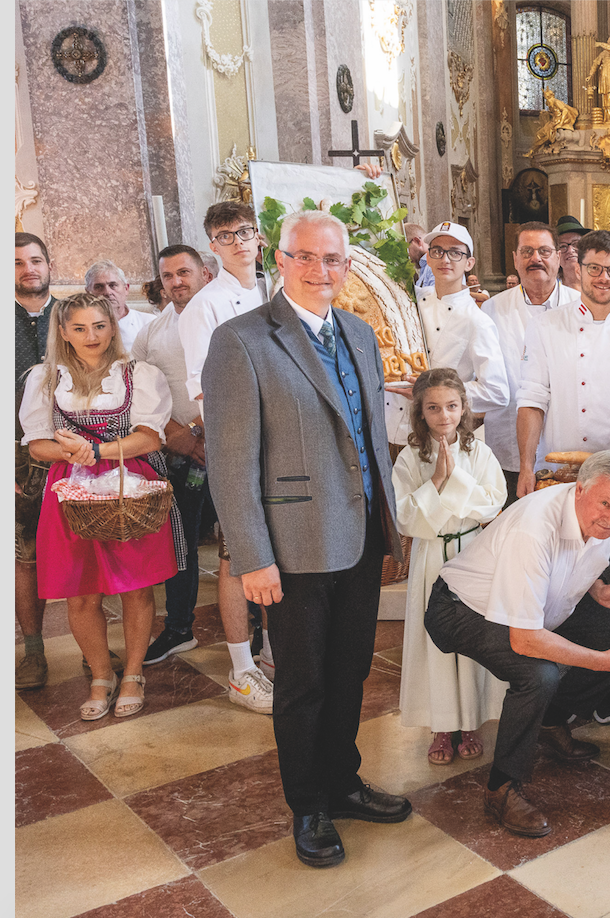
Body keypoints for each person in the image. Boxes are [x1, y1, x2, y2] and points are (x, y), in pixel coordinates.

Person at [204, 209, 412, 869]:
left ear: (346, 267)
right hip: (292, 544)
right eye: (307, 257)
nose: (321, 271)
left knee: (351, 671)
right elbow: (231, 464)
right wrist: (252, 558)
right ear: (282, 259)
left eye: (333, 260)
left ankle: (343, 781)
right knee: (303, 681)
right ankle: (309, 805)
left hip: (358, 536)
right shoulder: (241, 341)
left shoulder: (357, 331)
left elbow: (371, 435)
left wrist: (390, 527)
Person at [423, 451, 610, 837]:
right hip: (461, 609)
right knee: (539, 674)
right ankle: (502, 788)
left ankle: (550, 720)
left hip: (536, 611)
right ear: (579, 490)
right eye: (606, 504)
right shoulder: (534, 527)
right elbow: (525, 639)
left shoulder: (602, 519)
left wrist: (597, 591)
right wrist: (600, 661)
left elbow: (569, 563)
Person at [20, 292, 181, 721]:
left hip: (129, 483)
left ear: (113, 326)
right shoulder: (43, 378)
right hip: (70, 491)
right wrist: (73, 454)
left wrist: (99, 449)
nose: (91, 336)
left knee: (135, 585)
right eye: (79, 328)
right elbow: (37, 444)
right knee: (80, 591)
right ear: (63, 332)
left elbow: (149, 437)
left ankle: (132, 674)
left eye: (99, 326)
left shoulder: (138, 374)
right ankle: (99, 675)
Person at [179, 200, 276, 714]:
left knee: (276, 549)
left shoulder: (274, 288)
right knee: (238, 555)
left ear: (259, 237)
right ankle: (241, 669)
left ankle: (270, 649)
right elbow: (203, 389)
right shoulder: (205, 307)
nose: (239, 241)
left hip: (282, 440)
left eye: (246, 231)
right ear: (212, 246)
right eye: (226, 234)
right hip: (238, 441)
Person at [393, 369, 508, 766]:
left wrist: (452, 480)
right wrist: (435, 482)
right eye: (433, 408)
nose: (444, 416)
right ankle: (442, 725)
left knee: (473, 637)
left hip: (470, 552)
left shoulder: (480, 453)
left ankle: (471, 720)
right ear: (420, 413)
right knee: (436, 643)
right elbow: (404, 517)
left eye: (452, 406)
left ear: (464, 408)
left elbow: (494, 502)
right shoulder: (410, 457)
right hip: (430, 556)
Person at [517, 229, 610, 497]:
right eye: (594, 268)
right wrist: (525, 466)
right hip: (560, 474)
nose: (604, 278)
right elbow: (532, 399)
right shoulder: (545, 327)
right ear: (579, 271)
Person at [135, 245, 215, 665]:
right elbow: (141, 391)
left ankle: (258, 626)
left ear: (204, 272)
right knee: (179, 544)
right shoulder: (153, 331)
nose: (177, 282)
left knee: (241, 541)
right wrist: (175, 435)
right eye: (168, 276)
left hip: (229, 444)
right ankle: (179, 628)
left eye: (184, 272)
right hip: (179, 450)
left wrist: (203, 432)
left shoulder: (226, 316)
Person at [481, 223, 584, 501]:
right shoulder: (491, 310)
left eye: (544, 251)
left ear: (559, 258)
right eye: (526, 251)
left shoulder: (582, 307)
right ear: (515, 259)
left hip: (567, 447)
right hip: (507, 446)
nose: (535, 258)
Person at [384, 221, 509, 446]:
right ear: (428, 258)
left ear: (469, 263)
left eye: (455, 253)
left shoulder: (477, 321)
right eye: (438, 251)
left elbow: (497, 392)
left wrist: (434, 392)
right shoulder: (409, 301)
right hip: (386, 427)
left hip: (438, 436)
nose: (445, 259)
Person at [15, 232, 57, 689]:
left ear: (49, 265)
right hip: (16, 453)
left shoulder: (72, 315)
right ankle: (34, 650)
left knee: (83, 541)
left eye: (35, 260)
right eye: (18, 263)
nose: (29, 269)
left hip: (70, 446)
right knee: (25, 555)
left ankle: (93, 643)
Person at [85, 260, 153, 350]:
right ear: (88, 292)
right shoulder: (80, 327)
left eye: (113, 285)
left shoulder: (149, 323)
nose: (107, 292)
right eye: (99, 287)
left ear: (126, 289)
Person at [555, 215, 589, 291]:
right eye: (563, 246)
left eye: (576, 244)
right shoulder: (550, 289)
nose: (570, 250)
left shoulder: (600, 281)